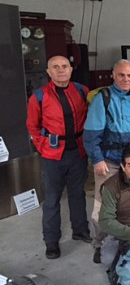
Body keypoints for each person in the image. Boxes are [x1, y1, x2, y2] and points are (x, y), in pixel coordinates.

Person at [84, 59, 130, 263]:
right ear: (113, 75)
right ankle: (99, 243)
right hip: (109, 161)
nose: (125, 79)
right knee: (103, 203)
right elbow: (91, 134)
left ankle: (129, 238)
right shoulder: (102, 99)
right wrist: (97, 159)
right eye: (121, 75)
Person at [26, 55, 91, 259]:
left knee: (77, 193)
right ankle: (51, 241)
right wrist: (43, 147)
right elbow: (32, 126)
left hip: (78, 152)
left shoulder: (82, 91)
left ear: (71, 69)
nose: (61, 70)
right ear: (48, 72)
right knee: (52, 198)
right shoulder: (38, 97)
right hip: (52, 155)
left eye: (64, 66)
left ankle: (80, 230)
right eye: (55, 67)